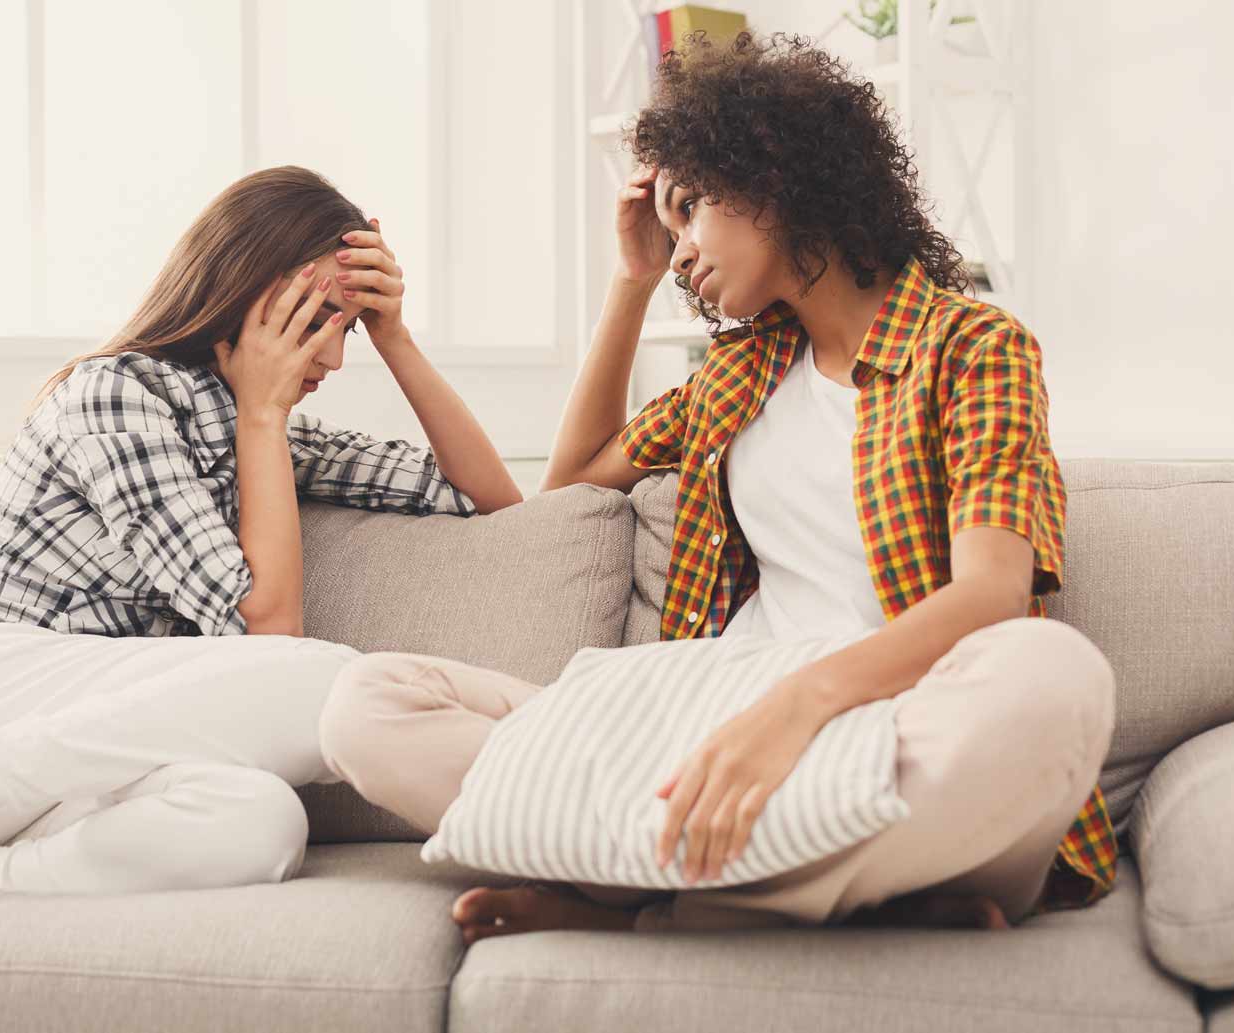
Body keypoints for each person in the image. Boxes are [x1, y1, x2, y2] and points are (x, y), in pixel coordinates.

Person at [316, 31, 1117, 942]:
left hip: (884, 724)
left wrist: (799, 707)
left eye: (690, 209)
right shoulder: (740, 374)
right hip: (711, 720)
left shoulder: (972, 346)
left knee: (1055, 679)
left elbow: (991, 595)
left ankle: (637, 892)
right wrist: (631, 279)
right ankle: (820, 885)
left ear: (771, 174)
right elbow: (573, 482)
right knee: (367, 705)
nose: (682, 248)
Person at [0, 166, 521, 935]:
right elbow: (268, 633)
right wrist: (261, 414)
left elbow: (488, 497)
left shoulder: (272, 438)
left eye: (346, 328)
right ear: (250, 290)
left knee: (260, 821)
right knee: (325, 677)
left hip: (77, 757)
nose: (332, 357)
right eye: (319, 316)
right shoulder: (117, 394)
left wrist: (395, 337)